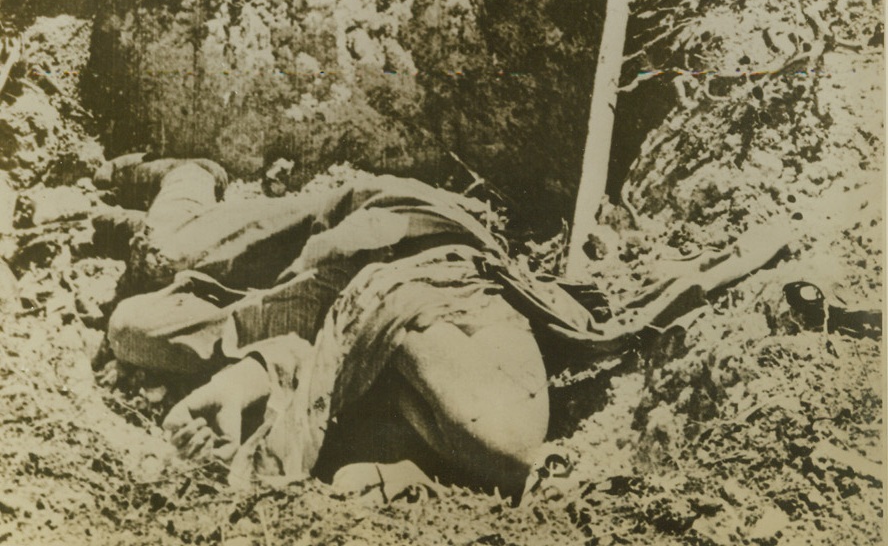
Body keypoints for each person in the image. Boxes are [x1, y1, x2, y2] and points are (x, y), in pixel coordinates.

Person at [99, 154, 790, 501]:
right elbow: (338, 337)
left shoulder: (477, 415)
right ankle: (191, 176)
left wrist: (247, 383)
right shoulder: (395, 223)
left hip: (392, 300)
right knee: (165, 267)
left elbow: (326, 361)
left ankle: (186, 216)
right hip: (368, 232)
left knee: (136, 326)